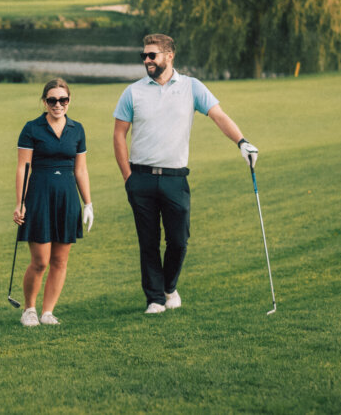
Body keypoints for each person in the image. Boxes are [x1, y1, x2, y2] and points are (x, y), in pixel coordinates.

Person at [112, 34, 258, 314]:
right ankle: (154, 299)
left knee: (178, 240)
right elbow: (119, 135)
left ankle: (169, 288)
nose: (146, 60)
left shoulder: (192, 87)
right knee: (148, 242)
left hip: (175, 178)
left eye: (152, 55)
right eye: (144, 55)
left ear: (169, 56)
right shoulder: (133, 92)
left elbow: (219, 116)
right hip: (140, 177)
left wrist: (242, 142)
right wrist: (128, 177)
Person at [14, 78, 94, 326]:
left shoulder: (77, 129)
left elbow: (81, 170)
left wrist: (88, 203)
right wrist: (20, 203)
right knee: (40, 261)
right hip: (39, 197)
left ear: (69, 101)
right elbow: (23, 168)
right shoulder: (32, 128)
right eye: (52, 100)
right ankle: (29, 309)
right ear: (44, 101)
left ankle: (47, 312)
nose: (58, 104)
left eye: (63, 100)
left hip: (67, 198)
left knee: (60, 260)